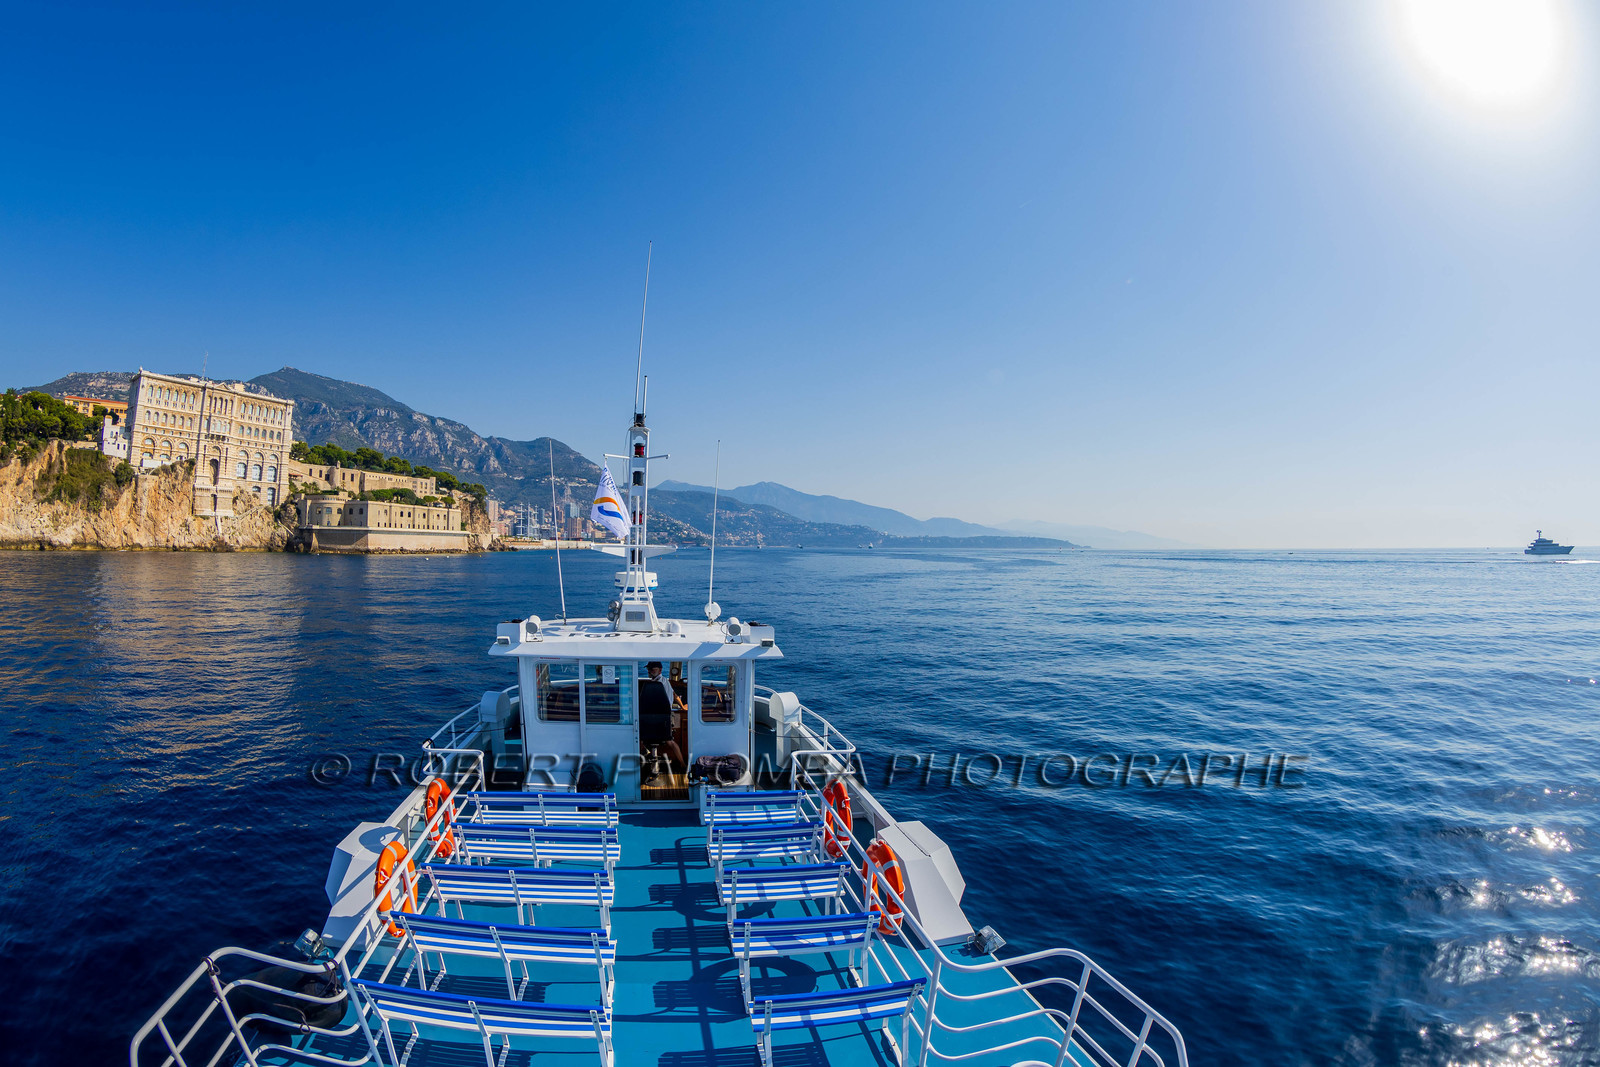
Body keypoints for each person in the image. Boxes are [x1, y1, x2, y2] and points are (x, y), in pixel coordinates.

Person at [639, 661, 684, 770]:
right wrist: (682, 707)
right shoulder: (666, 681)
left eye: (652, 669)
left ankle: (647, 754)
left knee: (637, 737)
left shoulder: (655, 684)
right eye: (649, 669)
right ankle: (683, 764)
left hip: (655, 720)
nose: (650, 671)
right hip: (666, 718)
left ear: (660, 670)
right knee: (670, 742)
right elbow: (674, 695)